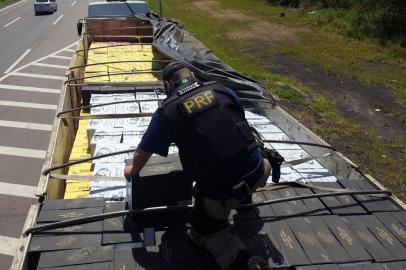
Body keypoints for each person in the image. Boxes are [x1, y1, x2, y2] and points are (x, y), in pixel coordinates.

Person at [124, 62, 271, 270]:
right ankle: (244, 201)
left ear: (167, 84)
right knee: (247, 137)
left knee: (203, 232)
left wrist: (131, 171)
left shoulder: (167, 111)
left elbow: (143, 152)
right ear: (192, 75)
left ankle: (242, 262)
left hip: (222, 193)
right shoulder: (222, 89)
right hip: (259, 170)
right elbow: (239, 121)